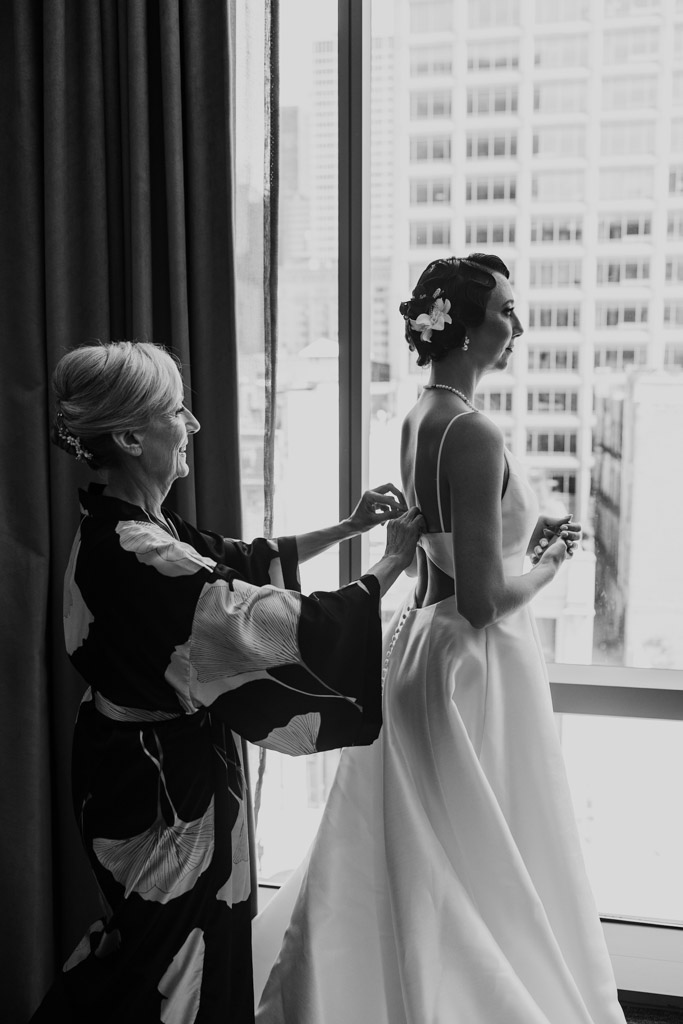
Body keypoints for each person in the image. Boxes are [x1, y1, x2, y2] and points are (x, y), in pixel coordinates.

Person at [252, 255, 627, 1024]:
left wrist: (518, 553)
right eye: (504, 312)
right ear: (458, 323)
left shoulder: (422, 414)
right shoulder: (474, 430)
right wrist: (552, 562)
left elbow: (441, 564)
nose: (516, 326)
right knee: (483, 850)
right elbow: (485, 602)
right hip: (473, 662)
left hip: (422, 645)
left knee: (430, 844)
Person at [30, 340, 425, 1024]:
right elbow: (251, 622)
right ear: (128, 435)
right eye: (176, 411)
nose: (193, 425)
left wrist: (351, 526)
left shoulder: (129, 525)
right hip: (159, 787)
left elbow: (234, 562)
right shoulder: (135, 550)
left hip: (144, 764)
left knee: (162, 944)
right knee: (168, 956)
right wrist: (385, 570)